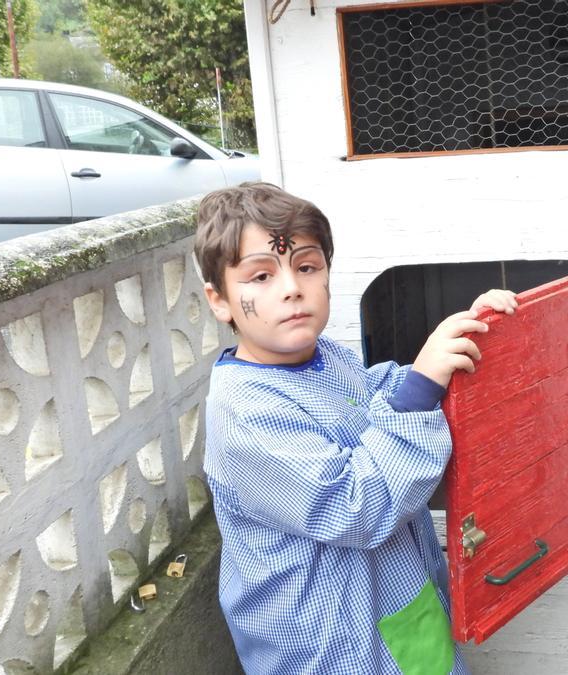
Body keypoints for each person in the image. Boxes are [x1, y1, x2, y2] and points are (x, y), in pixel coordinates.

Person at [195, 182, 517, 674]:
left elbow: (373, 399)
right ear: (220, 301)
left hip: (396, 601)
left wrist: (461, 346)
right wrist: (421, 387)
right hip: (328, 643)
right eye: (260, 275)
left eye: (307, 266)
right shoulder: (244, 412)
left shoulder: (326, 358)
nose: (291, 287)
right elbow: (354, 504)